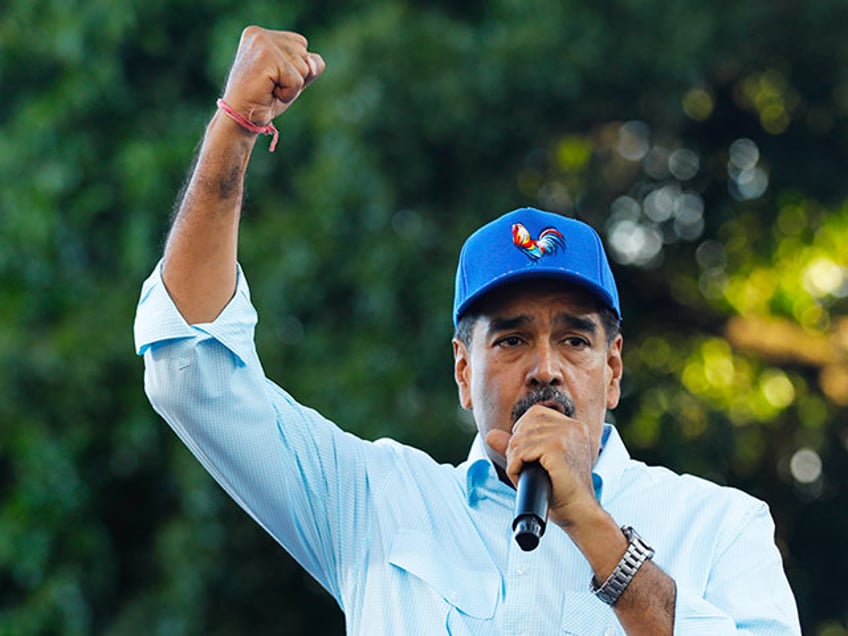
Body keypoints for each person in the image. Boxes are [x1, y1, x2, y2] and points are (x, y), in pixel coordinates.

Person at [133, 26, 801, 635]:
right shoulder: (375, 505)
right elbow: (191, 371)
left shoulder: (719, 524)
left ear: (615, 368)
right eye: (511, 339)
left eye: (574, 340)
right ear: (462, 369)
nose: (546, 368)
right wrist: (235, 129)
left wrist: (595, 532)